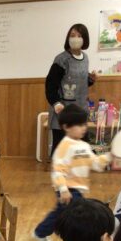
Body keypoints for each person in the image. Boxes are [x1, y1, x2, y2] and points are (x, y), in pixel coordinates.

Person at [33, 104, 111, 241]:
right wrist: (63, 189)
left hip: (78, 189)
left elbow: (95, 163)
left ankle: (41, 232)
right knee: (75, 215)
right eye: (79, 125)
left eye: (84, 124)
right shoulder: (64, 146)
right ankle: (77, 240)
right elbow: (58, 170)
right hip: (68, 189)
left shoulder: (84, 146)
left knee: (60, 214)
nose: (83, 128)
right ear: (66, 127)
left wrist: (109, 157)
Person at [45, 23, 96, 154]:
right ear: (68, 38)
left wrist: (91, 79)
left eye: (79, 36)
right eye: (73, 35)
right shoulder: (62, 59)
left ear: (84, 39)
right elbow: (50, 84)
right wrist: (56, 103)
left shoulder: (85, 58)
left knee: (81, 151)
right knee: (61, 152)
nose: (75, 38)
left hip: (80, 112)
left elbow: (79, 83)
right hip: (63, 113)